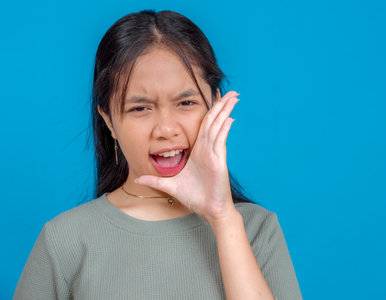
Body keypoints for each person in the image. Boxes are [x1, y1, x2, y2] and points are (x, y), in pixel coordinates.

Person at [13, 9, 302, 300]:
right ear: (109, 119)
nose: (165, 129)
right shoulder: (64, 241)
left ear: (216, 105)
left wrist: (223, 217)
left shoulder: (256, 230)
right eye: (140, 108)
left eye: (186, 102)